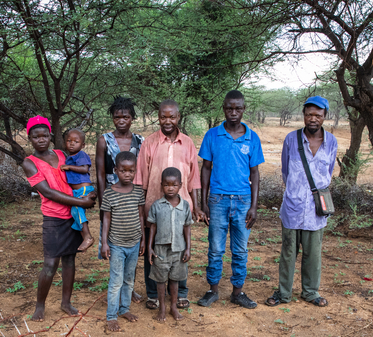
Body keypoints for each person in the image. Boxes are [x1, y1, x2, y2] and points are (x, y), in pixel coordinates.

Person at [265, 96, 338, 308]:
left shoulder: (331, 141)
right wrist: (296, 191)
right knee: (288, 253)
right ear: (303, 115)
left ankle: (310, 292)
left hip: (317, 209)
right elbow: (286, 171)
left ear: (325, 116)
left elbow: (329, 171)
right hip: (293, 207)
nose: (313, 119)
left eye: (318, 115)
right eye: (309, 114)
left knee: (313, 255)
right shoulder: (291, 139)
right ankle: (284, 293)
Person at [21, 115, 95, 321]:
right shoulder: (29, 163)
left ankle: (66, 303)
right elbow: (48, 192)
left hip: (71, 216)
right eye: (36, 137)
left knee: (69, 260)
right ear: (30, 138)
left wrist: (88, 193)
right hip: (54, 218)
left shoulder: (63, 154)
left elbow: (80, 176)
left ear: (51, 136)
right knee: (50, 264)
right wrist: (82, 203)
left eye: (45, 135)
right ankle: (40, 305)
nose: (41, 139)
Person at [197, 90, 264, 309]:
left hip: (244, 201)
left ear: (244, 109)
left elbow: (254, 173)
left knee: (240, 249)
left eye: (237, 108)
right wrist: (204, 202)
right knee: (215, 248)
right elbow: (206, 168)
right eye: (229, 108)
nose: (233, 112)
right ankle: (212, 290)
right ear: (223, 108)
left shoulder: (252, 138)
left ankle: (238, 292)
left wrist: (254, 206)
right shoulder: (213, 135)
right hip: (218, 200)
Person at [135, 99, 201, 311]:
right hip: (155, 207)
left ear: (178, 117)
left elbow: (194, 179)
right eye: (163, 116)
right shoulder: (150, 142)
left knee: (180, 250)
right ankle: (153, 294)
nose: (167, 121)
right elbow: (141, 178)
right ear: (159, 117)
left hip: (182, 209)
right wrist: (139, 207)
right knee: (153, 250)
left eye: (172, 116)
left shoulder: (188, 143)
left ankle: (180, 292)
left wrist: (197, 206)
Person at [95, 96, 144, 301]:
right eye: (117, 117)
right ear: (112, 118)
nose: (121, 120)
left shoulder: (140, 141)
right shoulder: (103, 140)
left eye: (126, 116)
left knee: (131, 241)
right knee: (114, 243)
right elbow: (98, 172)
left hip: (132, 199)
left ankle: (129, 288)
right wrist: (101, 200)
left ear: (132, 118)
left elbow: (142, 171)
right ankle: (115, 288)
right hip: (111, 198)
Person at [100, 151, 146, 332]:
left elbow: (141, 216)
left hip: (134, 243)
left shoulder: (137, 192)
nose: (127, 174)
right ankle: (111, 316)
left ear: (136, 171)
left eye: (131, 171)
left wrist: (142, 239)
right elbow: (106, 220)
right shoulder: (109, 193)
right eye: (123, 171)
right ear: (115, 170)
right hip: (116, 244)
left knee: (129, 279)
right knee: (116, 281)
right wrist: (104, 243)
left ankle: (125, 309)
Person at [146, 167, 193, 323]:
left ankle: (173, 306)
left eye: (174, 185)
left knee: (174, 279)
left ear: (180, 185)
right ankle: (162, 308)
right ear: (161, 185)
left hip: (178, 249)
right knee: (160, 280)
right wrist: (150, 247)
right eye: (166, 185)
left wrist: (188, 248)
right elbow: (152, 227)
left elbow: (187, 227)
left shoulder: (185, 206)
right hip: (160, 249)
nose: (170, 188)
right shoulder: (157, 205)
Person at [60, 128, 95, 251]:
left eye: (76, 141)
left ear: (83, 145)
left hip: (83, 189)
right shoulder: (70, 156)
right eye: (69, 141)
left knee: (77, 209)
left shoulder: (81, 155)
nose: (72, 143)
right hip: (77, 190)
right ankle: (84, 236)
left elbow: (85, 169)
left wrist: (69, 167)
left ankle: (88, 237)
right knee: (75, 212)